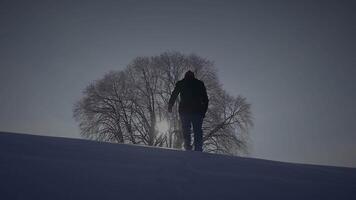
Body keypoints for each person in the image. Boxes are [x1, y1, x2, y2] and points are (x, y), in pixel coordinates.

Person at [168, 70, 209, 151]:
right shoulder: (199, 83)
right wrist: (204, 111)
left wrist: (170, 105)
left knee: (186, 130)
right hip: (195, 111)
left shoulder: (182, 83)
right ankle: (197, 148)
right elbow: (205, 99)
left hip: (186, 111)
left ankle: (188, 147)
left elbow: (174, 94)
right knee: (196, 131)